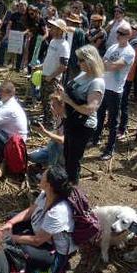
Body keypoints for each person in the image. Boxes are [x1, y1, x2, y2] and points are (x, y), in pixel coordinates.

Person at [0, 166, 76, 273]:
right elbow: (31, 211)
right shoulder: (45, 194)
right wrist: (11, 223)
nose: (39, 177)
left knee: (22, 249)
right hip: (39, 230)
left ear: (49, 185)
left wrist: (12, 238)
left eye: (42, 177)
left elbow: (37, 241)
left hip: (51, 249)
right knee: (13, 218)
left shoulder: (58, 212)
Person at [55, 45, 105, 183]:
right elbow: (74, 92)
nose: (78, 63)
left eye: (81, 60)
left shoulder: (97, 82)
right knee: (67, 154)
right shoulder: (83, 74)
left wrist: (68, 101)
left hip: (83, 126)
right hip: (71, 121)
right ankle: (66, 183)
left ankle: (72, 188)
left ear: (90, 60)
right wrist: (63, 92)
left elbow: (90, 109)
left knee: (73, 160)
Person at [94, 21, 136, 161]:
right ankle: (95, 138)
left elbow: (115, 66)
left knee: (113, 122)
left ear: (128, 35)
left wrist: (107, 64)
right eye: (118, 32)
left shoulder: (130, 51)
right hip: (104, 87)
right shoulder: (112, 47)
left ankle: (109, 149)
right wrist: (107, 64)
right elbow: (102, 63)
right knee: (99, 115)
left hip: (115, 91)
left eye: (122, 33)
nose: (118, 35)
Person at [40, 18, 71, 125]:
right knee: (44, 101)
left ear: (60, 30)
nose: (51, 29)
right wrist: (41, 67)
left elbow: (63, 66)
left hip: (52, 78)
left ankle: (51, 125)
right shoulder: (52, 41)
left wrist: (51, 76)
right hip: (45, 75)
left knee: (51, 103)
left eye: (54, 27)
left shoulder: (64, 45)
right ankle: (46, 122)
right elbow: (49, 58)